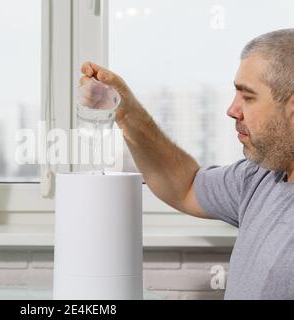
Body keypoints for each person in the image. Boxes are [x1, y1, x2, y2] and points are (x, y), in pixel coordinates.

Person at [78, 29, 294, 300]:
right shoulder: (260, 177)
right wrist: (125, 110)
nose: (232, 109)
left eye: (248, 97)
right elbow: (186, 185)